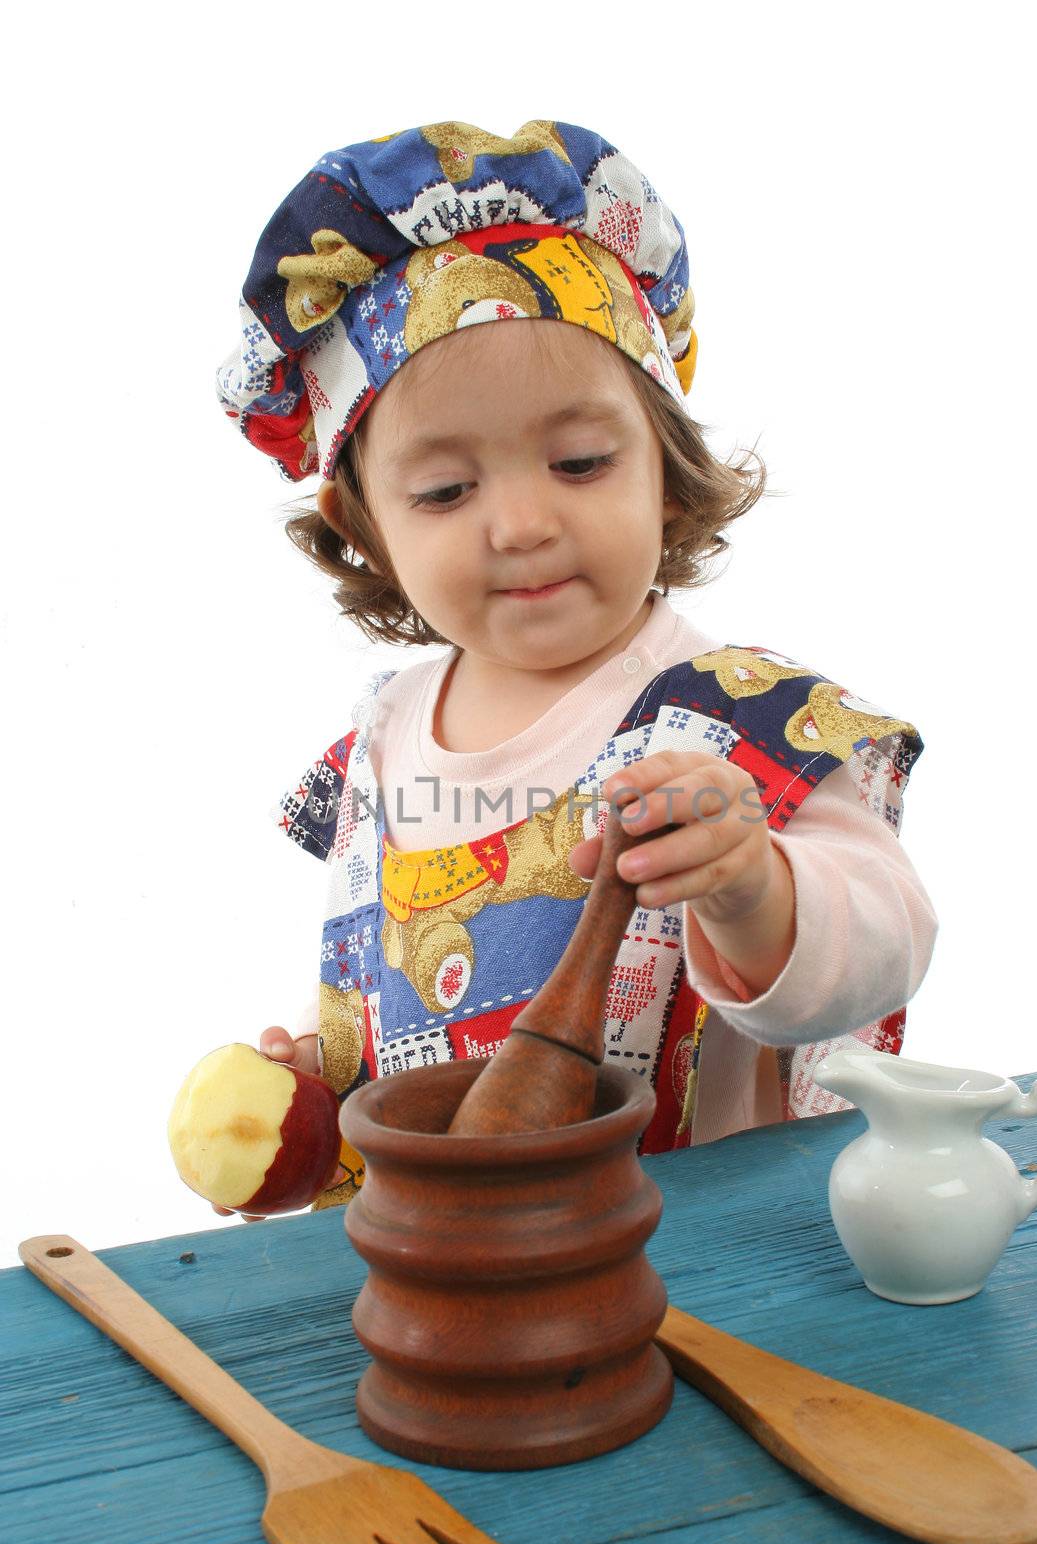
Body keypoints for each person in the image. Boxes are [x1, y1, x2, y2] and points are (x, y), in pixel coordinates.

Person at [214, 117, 938, 1218]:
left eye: (581, 461)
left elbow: (885, 944)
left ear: (665, 467)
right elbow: (397, 1020)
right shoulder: (380, 740)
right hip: (447, 1289)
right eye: (446, 491)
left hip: (698, 1278)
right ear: (362, 528)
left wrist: (753, 886)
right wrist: (325, 1113)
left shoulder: (736, 721)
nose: (520, 522)